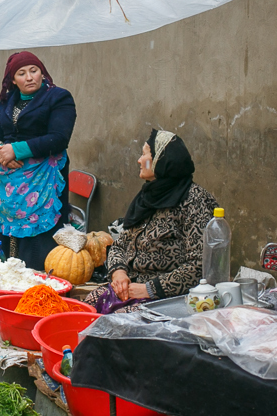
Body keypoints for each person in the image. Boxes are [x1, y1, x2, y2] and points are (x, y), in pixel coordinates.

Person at [83, 130, 219, 314]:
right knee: (85, 308)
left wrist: (149, 289)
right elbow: (120, 245)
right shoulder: (149, 196)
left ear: (162, 160)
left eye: (146, 154)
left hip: (167, 296)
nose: (140, 160)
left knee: (116, 324)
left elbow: (199, 266)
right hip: (131, 287)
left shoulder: (194, 200)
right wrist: (119, 273)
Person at [0, 52, 76, 270]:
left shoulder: (59, 98)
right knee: (9, 245)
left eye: (33, 70)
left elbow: (59, 138)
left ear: (41, 72)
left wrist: (16, 150)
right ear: (13, 80)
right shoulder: (7, 102)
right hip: (9, 186)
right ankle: (10, 283)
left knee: (39, 244)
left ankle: (37, 287)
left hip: (43, 182)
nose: (29, 77)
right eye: (21, 73)